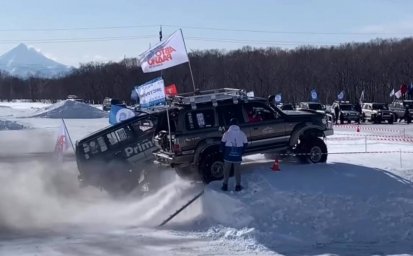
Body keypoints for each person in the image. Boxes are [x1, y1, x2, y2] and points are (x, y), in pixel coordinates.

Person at [220, 118, 248, 192]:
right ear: (237, 124)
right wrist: (241, 152)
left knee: (226, 171)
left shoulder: (226, 133)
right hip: (237, 156)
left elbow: (222, 144)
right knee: (237, 171)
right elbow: (245, 144)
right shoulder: (242, 133)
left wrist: (223, 152)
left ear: (230, 124)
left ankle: (225, 185)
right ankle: (238, 186)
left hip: (228, 156)